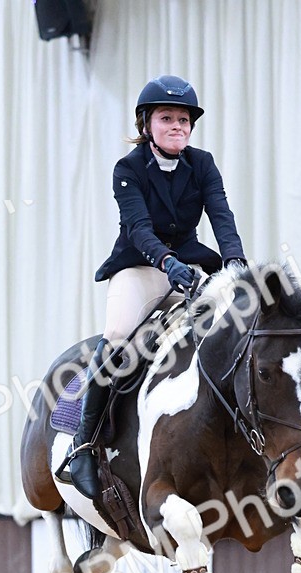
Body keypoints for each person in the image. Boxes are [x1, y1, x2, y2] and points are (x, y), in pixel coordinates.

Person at [60, 74, 247, 500]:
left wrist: (235, 262)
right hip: (140, 267)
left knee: (230, 328)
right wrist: (168, 263)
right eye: (167, 118)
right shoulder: (127, 170)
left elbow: (221, 215)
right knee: (119, 338)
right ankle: (83, 447)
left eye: (184, 119)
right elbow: (139, 230)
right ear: (147, 124)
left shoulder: (203, 164)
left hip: (192, 265)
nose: (178, 126)